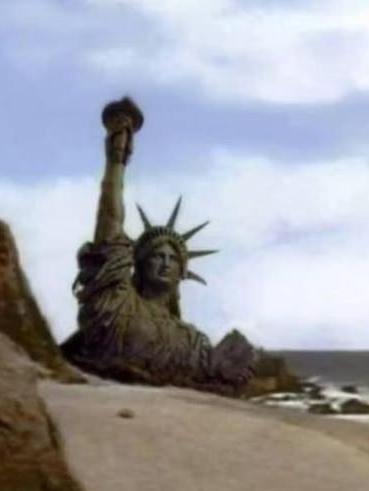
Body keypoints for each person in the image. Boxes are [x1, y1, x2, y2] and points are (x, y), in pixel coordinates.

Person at [61, 97, 256, 396]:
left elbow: (218, 380)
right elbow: (110, 226)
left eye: (172, 258)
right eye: (156, 256)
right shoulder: (117, 302)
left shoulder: (194, 341)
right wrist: (116, 163)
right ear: (138, 263)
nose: (165, 262)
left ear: (181, 271)